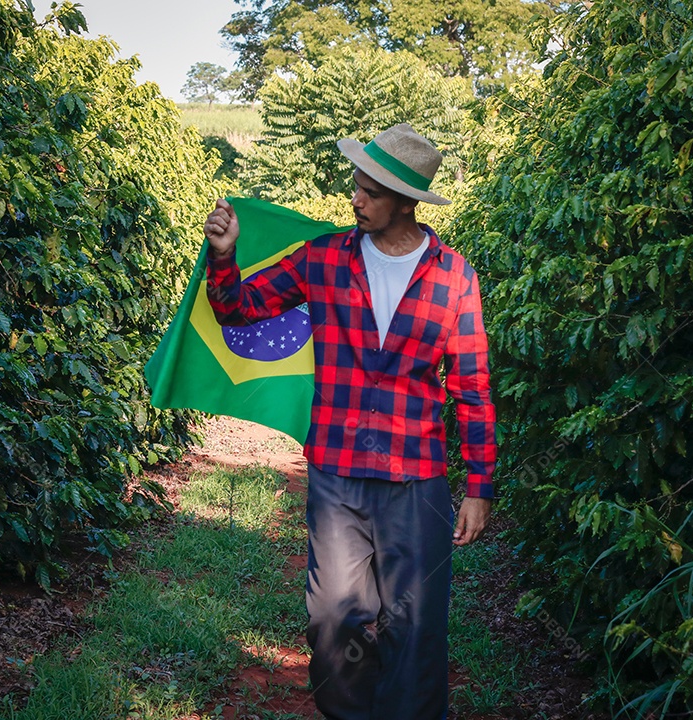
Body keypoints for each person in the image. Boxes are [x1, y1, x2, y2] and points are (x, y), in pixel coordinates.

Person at [202, 123, 496, 720]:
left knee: (414, 630)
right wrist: (225, 253)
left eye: (370, 192)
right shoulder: (322, 260)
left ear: (406, 201)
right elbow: (238, 308)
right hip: (338, 475)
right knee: (334, 623)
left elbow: (472, 389)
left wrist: (480, 488)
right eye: (356, 186)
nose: (356, 199)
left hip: (417, 482)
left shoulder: (454, 277)